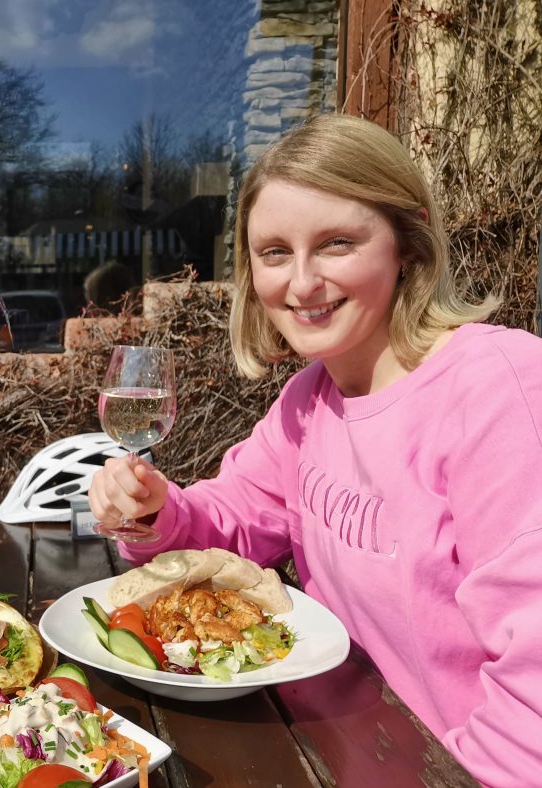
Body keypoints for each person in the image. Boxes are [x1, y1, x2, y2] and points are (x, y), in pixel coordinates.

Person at [87, 113, 542, 787]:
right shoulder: (311, 399)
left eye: (335, 243)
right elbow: (235, 520)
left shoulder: (502, 390)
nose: (301, 284)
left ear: (407, 244)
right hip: (332, 745)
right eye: (274, 252)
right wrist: (155, 510)